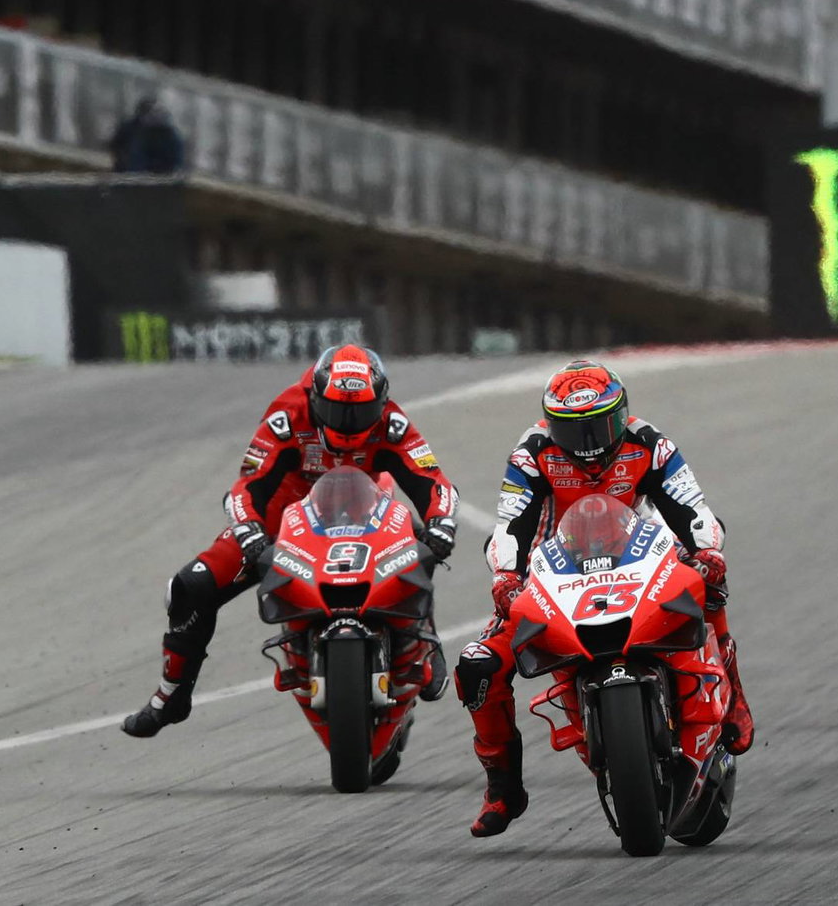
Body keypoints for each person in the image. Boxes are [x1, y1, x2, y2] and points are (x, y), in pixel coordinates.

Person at [455, 359, 754, 837]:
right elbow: (511, 522)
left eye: (602, 425)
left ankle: (733, 696)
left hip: (639, 555)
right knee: (476, 668)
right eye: (576, 432)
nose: (591, 444)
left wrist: (707, 551)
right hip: (556, 572)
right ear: (552, 426)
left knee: (708, 583)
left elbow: (692, 505)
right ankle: (503, 787)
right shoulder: (532, 452)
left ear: (623, 413)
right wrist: (506, 577)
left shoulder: (650, 444)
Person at [122, 344, 460, 738]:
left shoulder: (392, 422)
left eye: (361, 411)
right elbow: (247, 485)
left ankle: (423, 635)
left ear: (381, 401)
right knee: (189, 586)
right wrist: (249, 531)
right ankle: (172, 694)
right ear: (314, 397)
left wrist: (441, 523)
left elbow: (434, 480)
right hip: (285, 518)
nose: (349, 423)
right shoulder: (286, 415)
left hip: (366, 513)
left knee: (422, 543)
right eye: (336, 410)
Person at [109, 96, 186, 174]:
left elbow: (176, 160)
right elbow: (134, 155)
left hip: (162, 172)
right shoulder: (134, 128)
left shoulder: (171, 135)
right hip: (136, 170)